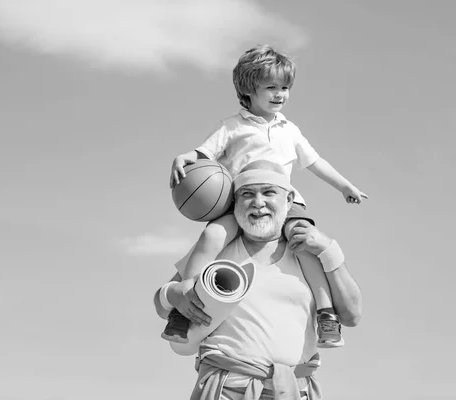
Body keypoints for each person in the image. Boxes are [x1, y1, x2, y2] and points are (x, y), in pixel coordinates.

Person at [163, 44, 367, 348]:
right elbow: (204, 153)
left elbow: (314, 162)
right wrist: (184, 156)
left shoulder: (290, 130)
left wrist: (345, 186)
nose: (280, 94)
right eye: (271, 87)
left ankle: (326, 314)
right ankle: (185, 298)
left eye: (285, 87)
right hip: (240, 202)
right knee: (213, 236)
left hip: (285, 202)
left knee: (305, 246)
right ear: (248, 89)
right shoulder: (233, 126)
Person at [155, 160, 363, 399]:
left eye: (269, 192)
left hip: (294, 391)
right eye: (247, 193)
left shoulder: (309, 251)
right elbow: (161, 306)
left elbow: (352, 315)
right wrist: (172, 295)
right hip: (226, 391)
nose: (258, 202)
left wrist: (329, 248)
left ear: (288, 199)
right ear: (235, 202)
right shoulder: (217, 244)